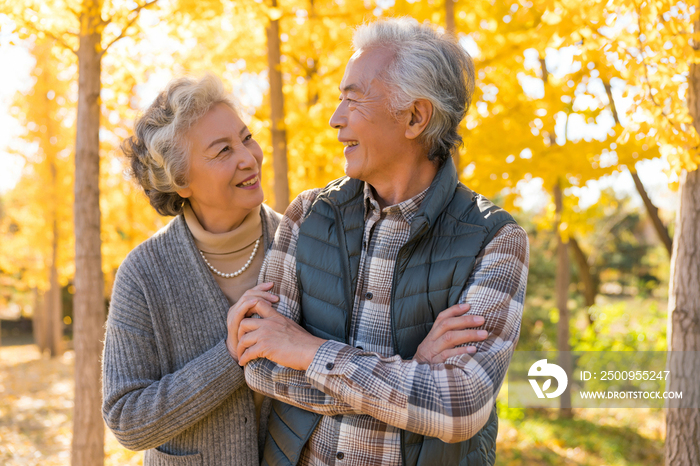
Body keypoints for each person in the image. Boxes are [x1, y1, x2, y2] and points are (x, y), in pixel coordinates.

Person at [233, 18, 530, 466]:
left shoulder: (497, 240)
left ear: (414, 117)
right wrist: (413, 371)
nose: (335, 120)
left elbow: (460, 407)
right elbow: (260, 364)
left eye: (353, 99)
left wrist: (307, 350)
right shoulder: (308, 214)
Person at [101, 74, 283, 465]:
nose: (248, 157)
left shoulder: (301, 244)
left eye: (246, 137)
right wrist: (229, 357)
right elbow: (126, 419)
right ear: (181, 181)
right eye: (222, 151)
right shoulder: (143, 274)